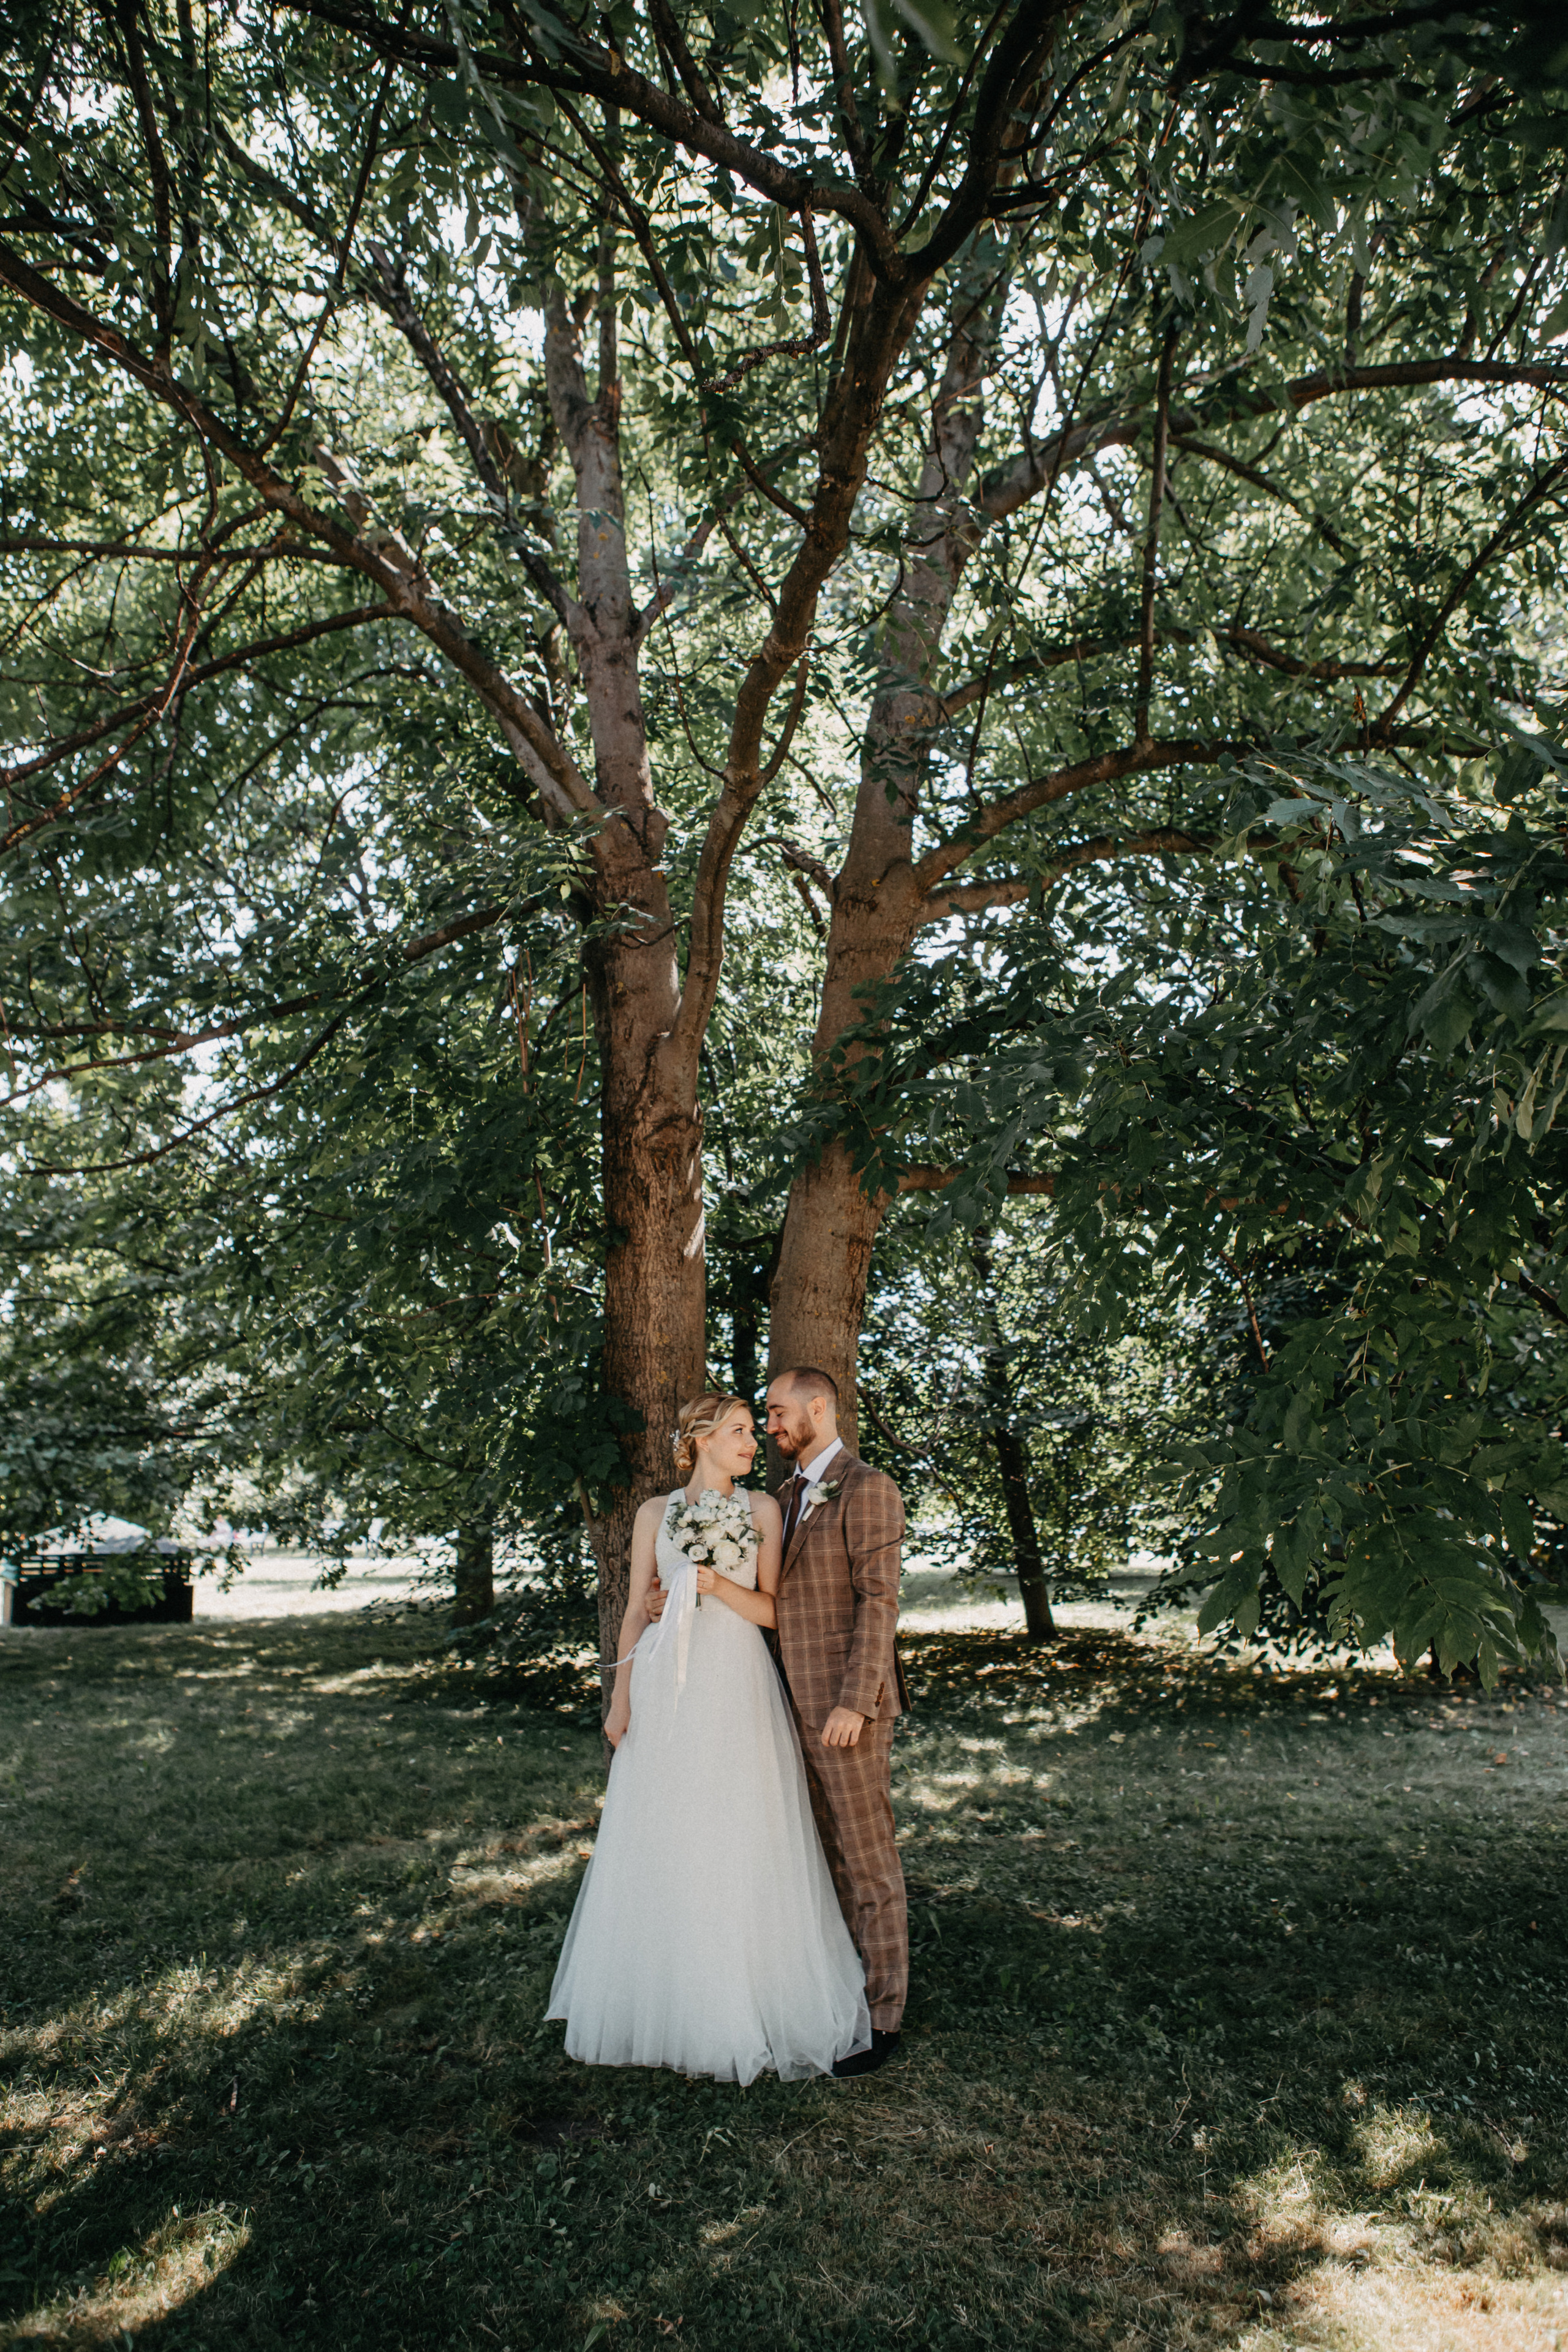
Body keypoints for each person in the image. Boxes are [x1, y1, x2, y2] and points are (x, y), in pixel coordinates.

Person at [546, 1393, 870, 2083]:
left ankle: (742, 1998)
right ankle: (661, 1998)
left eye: (756, 1431)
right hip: (666, 1686)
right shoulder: (652, 1515)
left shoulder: (761, 1511)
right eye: (740, 1431)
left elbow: (775, 1612)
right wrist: (621, 1699)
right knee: (666, 1830)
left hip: (735, 1681)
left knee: (735, 1828)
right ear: (699, 1440)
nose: (755, 1442)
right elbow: (636, 1608)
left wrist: (716, 1586)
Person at [763, 1365, 910, 2078]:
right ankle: (843, 1996)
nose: (770, 1424)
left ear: (819, 1407)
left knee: (866, 1859)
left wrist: (856, 1700)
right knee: (821, 1857)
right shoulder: (784, 1496)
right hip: (789, 1704)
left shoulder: (867, 1487)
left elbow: (878, 1602)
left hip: (847, 1709)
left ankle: (884, 2018)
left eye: (778, 1410)